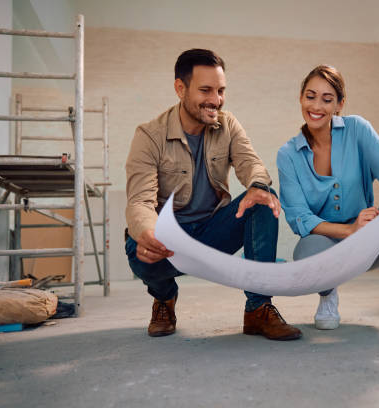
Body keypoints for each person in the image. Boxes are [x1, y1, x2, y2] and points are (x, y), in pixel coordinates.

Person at [125, 49, 301, 341]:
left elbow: (250, 163)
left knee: (262, 198)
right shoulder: (149, 135)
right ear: (180, 88)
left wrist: (257, 184)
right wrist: (148, 233)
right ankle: (164, 298)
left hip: (212, 233)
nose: (216, 100)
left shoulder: (228, 124)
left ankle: (258, 308)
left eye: (220, 90)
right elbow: (140, 202)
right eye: (205, 90)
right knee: (138, 249)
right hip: (169, 239)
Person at [276, 65, 379, 342]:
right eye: (310, 96)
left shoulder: (357, 129)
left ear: (340, 104)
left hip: (372, 242)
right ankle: (328, 295)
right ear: (301, 98)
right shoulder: (288, 154)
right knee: (306, 251)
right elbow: (299, 217)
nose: (316, 106)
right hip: (329, 245)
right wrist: (350, 230)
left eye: (327, 99)